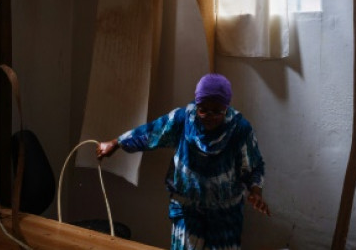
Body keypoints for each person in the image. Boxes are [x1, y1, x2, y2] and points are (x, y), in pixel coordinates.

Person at [96, 73, 270, 249]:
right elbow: (152, 132)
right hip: (187, 210)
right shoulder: (183, 119)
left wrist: (256, 192)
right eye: (203, 109)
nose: (209, 116)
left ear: (227, 107)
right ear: (196, 105)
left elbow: (254, 165)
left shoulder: (239, 129)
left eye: (217, 111)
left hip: (225, 214)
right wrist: (116, 142)